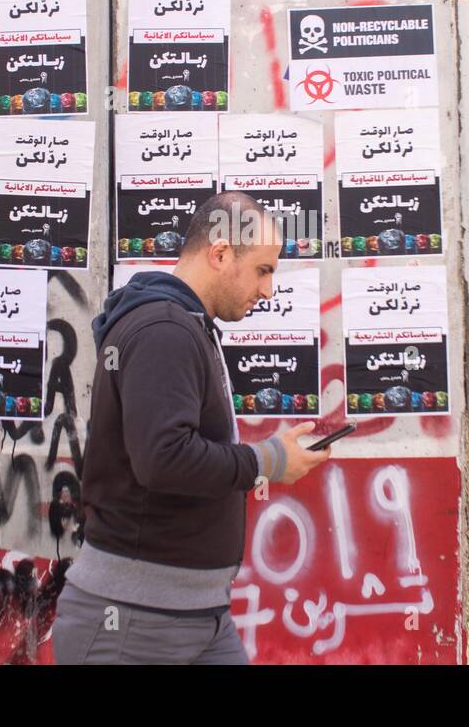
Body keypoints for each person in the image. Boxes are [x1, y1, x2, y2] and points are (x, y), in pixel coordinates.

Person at [52, 191, 331, 664]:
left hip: (199, 617)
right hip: (133, 626)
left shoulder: (185, 325)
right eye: (263, 270)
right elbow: (164, 458)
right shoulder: (165, 330)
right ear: (221, 253)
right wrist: (269, 460)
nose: (268, 291)